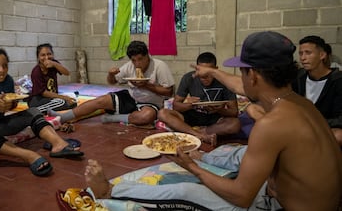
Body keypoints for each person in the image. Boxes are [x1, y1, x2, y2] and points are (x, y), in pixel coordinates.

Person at [83, 31, 342, 210]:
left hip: (280, 206)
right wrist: (213, 71)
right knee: (237, 153)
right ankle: (201, 156)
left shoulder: (271, 124)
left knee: (186, 191)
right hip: (311, 198)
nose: (240, 79)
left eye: (242, 72)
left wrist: (192, 169)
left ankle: (109, 192)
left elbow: (241, 197)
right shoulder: (298, 102)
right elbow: (242, 86)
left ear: (252, 75)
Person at [0, 47, 83, 177]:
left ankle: (58, 144)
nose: (1, 70)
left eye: (5, 66)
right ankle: (29, 156)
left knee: (33, 111)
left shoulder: (7, 81)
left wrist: (12, 104)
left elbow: (10, 106)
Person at [48, 41, 175, 126]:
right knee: (100, 100)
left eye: (140, 59)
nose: (137, 64)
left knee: (146, 117)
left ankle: (113, 118)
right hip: (131, 97)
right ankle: (62, 117)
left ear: (147, 56)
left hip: (150, 103)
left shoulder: (159, 66)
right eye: (134, 60)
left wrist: (146, 85)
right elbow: (112, 82)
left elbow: (169, 91)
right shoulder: (130, 66)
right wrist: (111, 74)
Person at [157, 52, 240, 146]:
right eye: (201, 72)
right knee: (162, 113)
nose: (204, 77)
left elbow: (234, 112)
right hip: (192, 116)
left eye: (208, 72)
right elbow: (176, 106)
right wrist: (190, 105)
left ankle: (197, 132)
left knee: (235, 124)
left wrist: (220, 109)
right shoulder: (188, 78)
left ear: (215, 70)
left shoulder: (224, 80)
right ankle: (200, 135)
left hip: (215, 119)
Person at [292, 35, 342, 146]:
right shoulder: (299, 77)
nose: (303, 58)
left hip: (325, 128)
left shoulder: (337, 80)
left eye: (308, 53)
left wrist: (314, 121)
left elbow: (339, 118)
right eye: (301, 53)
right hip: (300, 125)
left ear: (322, 55)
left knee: (338, 136)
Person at [28, 43, 77, 113]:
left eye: (49, 54)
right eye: (43, 55)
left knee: (73, 101)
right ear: (38, 57)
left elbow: (67, 73)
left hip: (51, 98)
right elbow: (44, 93)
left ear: (53, 54)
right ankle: (35, 110)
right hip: (38, 100)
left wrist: (55, 64)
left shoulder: (54, 64)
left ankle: (46, 109)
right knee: (62, 102)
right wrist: (63, 97)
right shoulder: (36, 71)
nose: (47, 57)